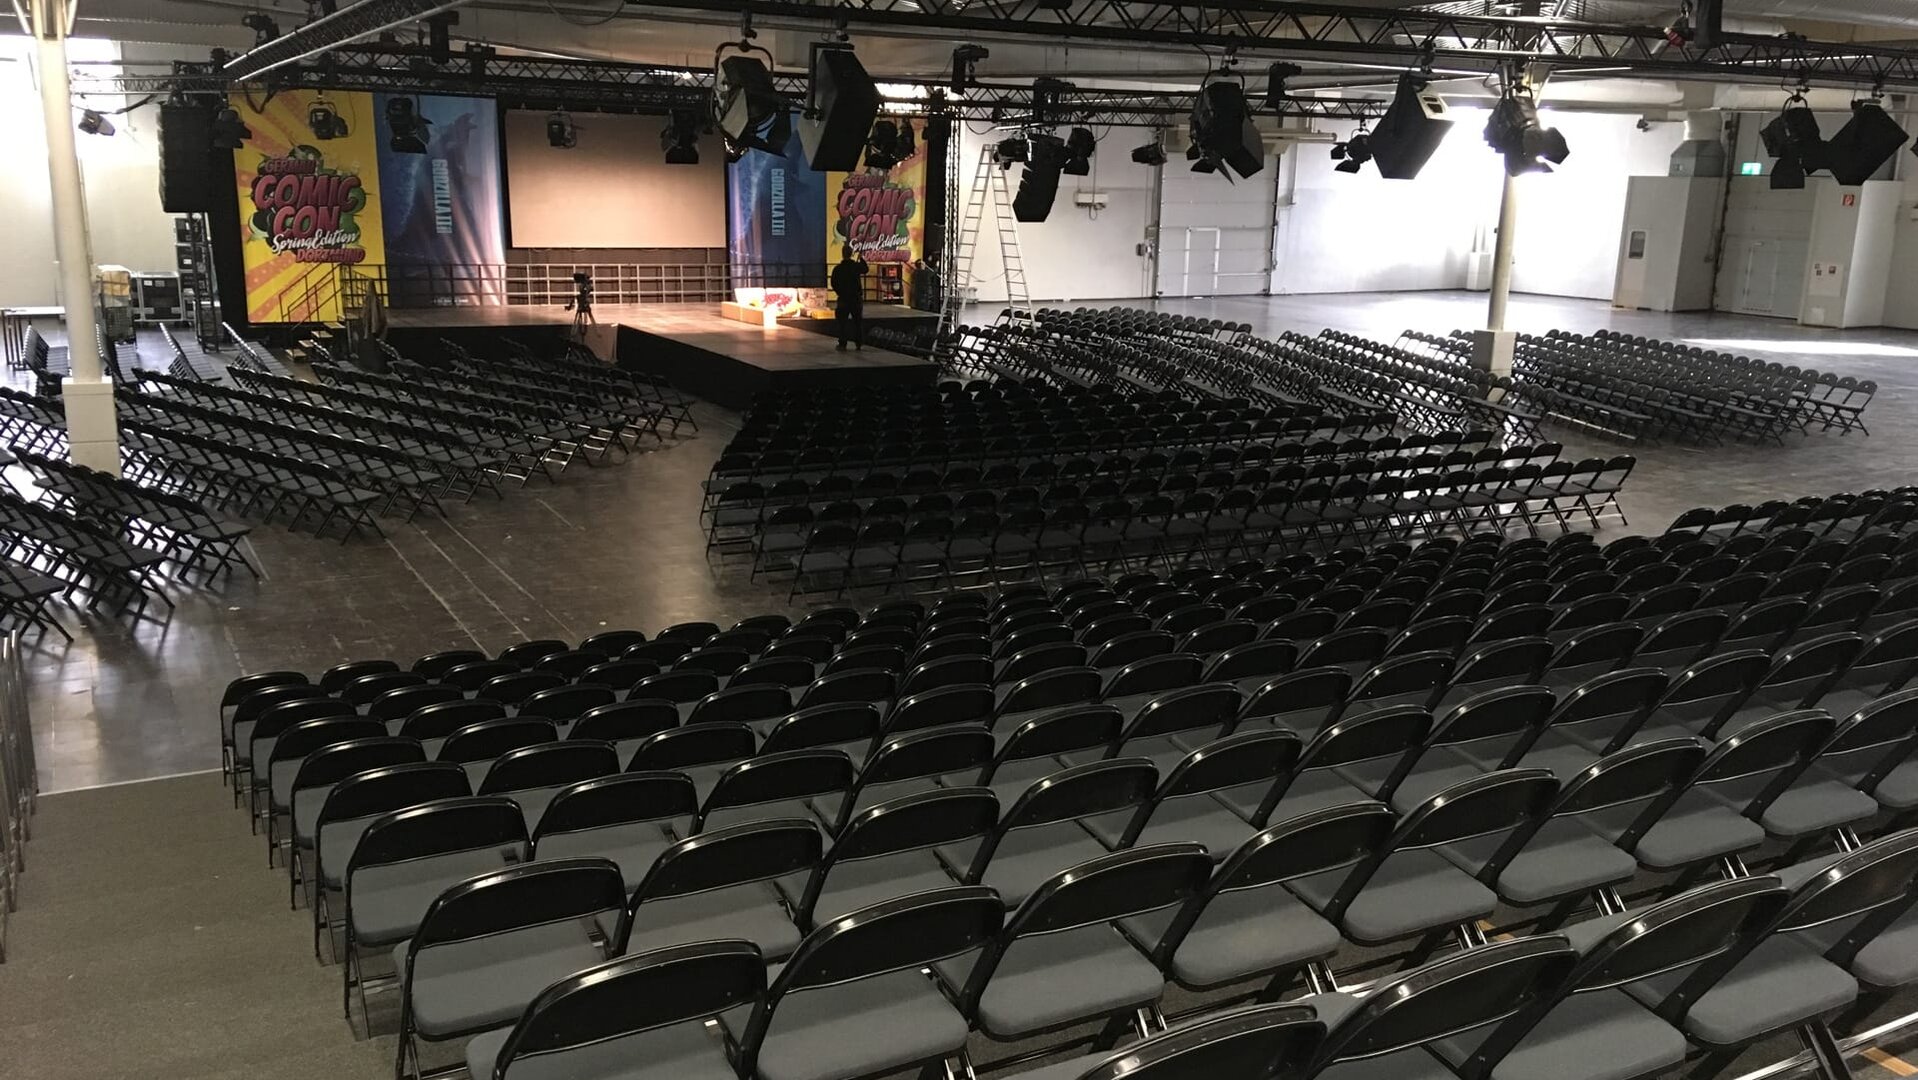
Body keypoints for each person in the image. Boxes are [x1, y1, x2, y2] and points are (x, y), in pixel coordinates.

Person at [830, 245, 868, 351]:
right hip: (855, 298)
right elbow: (865, 269)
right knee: (857, 322)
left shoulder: (838, 269)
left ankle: (842, 343)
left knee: (842, 323)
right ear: (851, 254)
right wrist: (861, 258)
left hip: (843, 299)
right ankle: (858, 343)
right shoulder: (856, 267)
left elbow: (833, 283)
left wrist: (840, 292)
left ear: (842, 254)